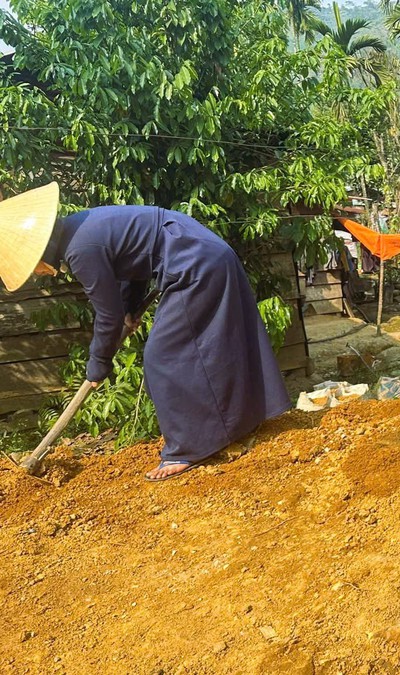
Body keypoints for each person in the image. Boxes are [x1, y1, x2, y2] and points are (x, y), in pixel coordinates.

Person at [0, 183, 291, 481]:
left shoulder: (80, 250)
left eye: (33, 268)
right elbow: (135, 262)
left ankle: (186, 449)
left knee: (161, 358)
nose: (38, 274)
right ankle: (238, 423)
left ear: (39, 250)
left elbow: (107, 315)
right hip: (202, 252)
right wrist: (131, 309)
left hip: (194, 263)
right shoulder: (79, 226)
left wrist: (98, 365)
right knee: (209, 346)